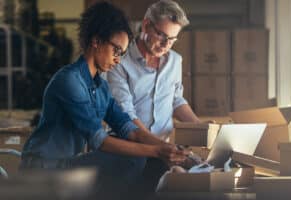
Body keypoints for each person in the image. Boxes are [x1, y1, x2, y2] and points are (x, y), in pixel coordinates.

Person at [20, 2, 186, 199]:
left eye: (122, 54)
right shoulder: (69, 80)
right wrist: (157, 150)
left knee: (149, 161)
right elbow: (101, 141)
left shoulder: (100, 87)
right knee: (135, 160)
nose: (118, 59)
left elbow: (128, 128)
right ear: (96, 41)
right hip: (44, 168)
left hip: (67, 165)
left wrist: (167, 148)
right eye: (116, 50)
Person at [107, 0, 202, 194]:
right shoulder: (119, 62)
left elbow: (176, 100)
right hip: (128, 150)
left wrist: (203, 129)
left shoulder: (175, 61)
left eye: (172, 39)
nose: (166, 44)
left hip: (162, 152)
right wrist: (166, 149)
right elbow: (126, 117)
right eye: (161, 35)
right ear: (146, 25)